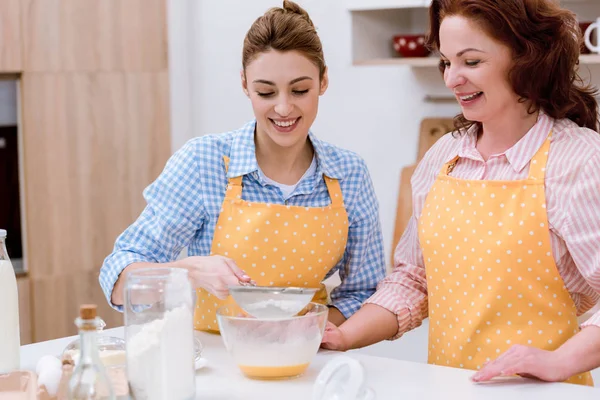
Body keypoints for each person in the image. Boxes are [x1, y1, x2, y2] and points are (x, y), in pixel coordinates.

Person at [322, 0, 600, 386]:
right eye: (446, 62)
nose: (452, 79)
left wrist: (559, 361)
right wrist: (343, 335)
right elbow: (415, 280)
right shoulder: (443, 157)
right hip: (449, 389)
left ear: (526, 58)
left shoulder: (579, 160)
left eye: (470, 62)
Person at [99, 0, 386, 332]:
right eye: (266, 92)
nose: (283, 107)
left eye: (300, 90)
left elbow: (364, 291)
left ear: (323, 82)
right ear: (244, 84)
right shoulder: (204, 163)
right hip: (216, 363)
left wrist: (310, 328)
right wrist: (185, 272)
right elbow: (118, 279)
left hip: (306, 360)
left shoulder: (348, 173)